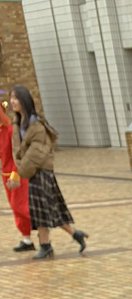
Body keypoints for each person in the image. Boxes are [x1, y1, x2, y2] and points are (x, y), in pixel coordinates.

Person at [8, 85, 87, 259]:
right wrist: (18, 170)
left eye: (16, 98)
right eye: (11, 98)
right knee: (47, 209)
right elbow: (18, 151)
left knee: (43, 210)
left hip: (41, 172)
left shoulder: (36, 125)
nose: (12, 101)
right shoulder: (19, 122)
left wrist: (19, 172)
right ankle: (74, 235)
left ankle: (46, 246)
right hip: (32, 172)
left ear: (24, 101)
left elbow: (35, 154)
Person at [0, 97, 33, 251]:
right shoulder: (1, 131)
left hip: (17, 173)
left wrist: (15, 173)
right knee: (16, 208)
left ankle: (44, 227)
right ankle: (27, 239)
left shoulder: (11, 130)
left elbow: (18, 154)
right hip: (6, 174)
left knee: (20, 206)